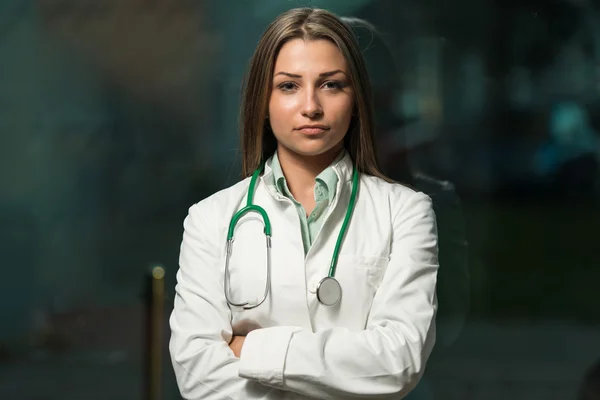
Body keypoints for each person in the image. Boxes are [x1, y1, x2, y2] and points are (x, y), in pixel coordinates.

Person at [169, 7, 439, 399]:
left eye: (330, 85)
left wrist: (252, 349)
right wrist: (346, 370)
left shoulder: (406, 212)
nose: (311, 106)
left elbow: (398, 361)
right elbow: (198, 374)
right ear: (264, 100)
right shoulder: (209, 220)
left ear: (356, 98)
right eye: (289, 86)